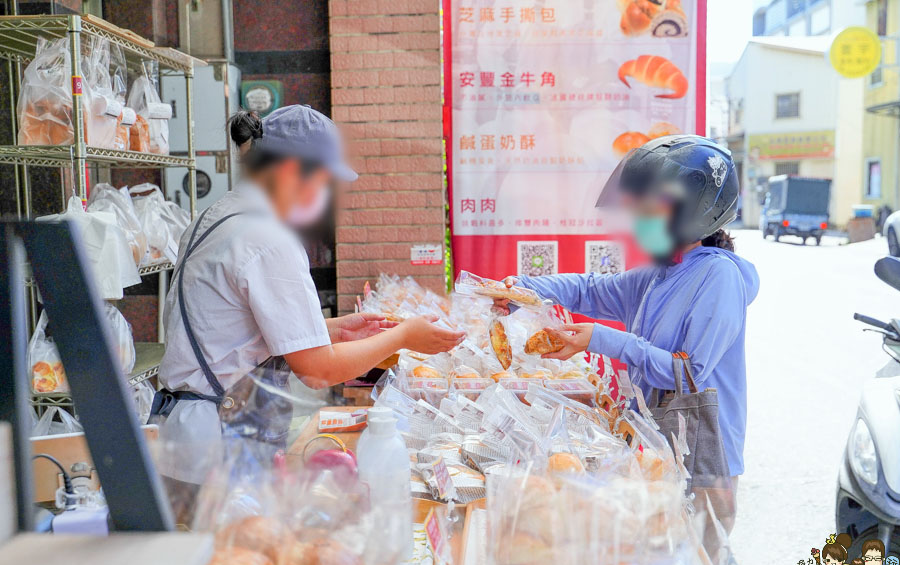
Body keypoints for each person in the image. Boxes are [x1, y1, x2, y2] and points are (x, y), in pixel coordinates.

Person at [152, 105, 464, 514]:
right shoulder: (268, 237)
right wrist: (404, 336)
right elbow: (317, 370)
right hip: (221, 453)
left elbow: (231, 327)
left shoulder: (215, 217)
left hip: (187, 438)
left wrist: (330, 328)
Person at [496, 135, 759, 533]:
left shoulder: (718, 276)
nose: (638, 222)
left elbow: (687, 375)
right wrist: (521, 289)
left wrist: (599, 338)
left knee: (698, 561)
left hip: (703, 455)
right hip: (659, 441)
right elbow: (590, 289)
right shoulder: (660, 273)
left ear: (693, 213)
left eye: (649, 212)